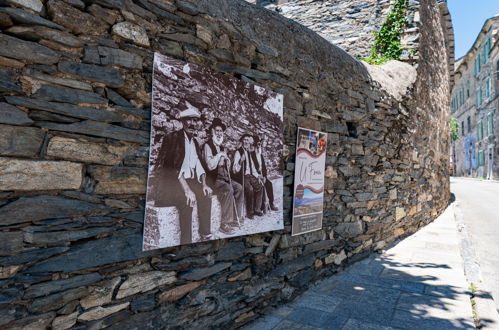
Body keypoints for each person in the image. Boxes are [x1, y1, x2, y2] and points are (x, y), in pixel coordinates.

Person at [153, 104, 213, 245]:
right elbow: (170, 167)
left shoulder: (195, 142)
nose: (193, 124)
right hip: (172, 182)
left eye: (196, 121)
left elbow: (199, 165)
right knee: (187, 202)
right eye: (190, 120)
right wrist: (187, 191)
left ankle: (205, 234)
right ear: (183, 121)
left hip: (189, 181)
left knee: (206, 194)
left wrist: (204, 184)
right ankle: (186, 242)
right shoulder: (172, 138)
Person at [203, 118, 243, 234]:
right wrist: (220, 156)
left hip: (224, 177)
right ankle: (224, 223)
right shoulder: (207, 146)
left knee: (239, 187)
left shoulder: (221, 147)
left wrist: (227, 161)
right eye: (217, 130)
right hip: (214, 179)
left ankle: (236, 219)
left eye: (221, 131)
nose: (219, 133)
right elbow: (210, 166)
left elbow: (227, 166)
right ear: (212, 131)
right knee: (228, 189)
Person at [233, 134, 264, 219]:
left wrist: (258, 175)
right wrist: (240, 161)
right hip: (243, 176)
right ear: (242, 141)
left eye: (247, 140)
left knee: (260, 186)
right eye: (244, 140)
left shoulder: (249, 153)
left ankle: (257, 209)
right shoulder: (238, 152)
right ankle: (250, 212)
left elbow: (253, 168)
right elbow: (234, 169)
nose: (246, 142)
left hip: (250, 175)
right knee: (250, 189)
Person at [253, 135, 278, 212]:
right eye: (257, 145)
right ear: (254, 146)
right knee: (259, 186)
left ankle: (271, 203)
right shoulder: (251, 155)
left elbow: (264, 168)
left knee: (269, 184)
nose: (258, 147)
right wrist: (259, 177)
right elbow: (252, 169)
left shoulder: (260, 155)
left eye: (259, 145)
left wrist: (264, 177)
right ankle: (261, 206)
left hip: (262, 176)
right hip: (255, 176)